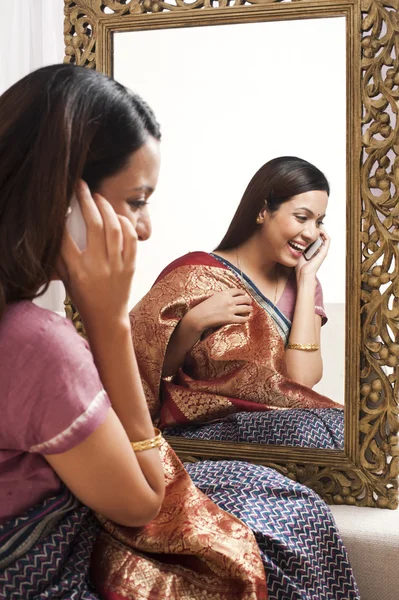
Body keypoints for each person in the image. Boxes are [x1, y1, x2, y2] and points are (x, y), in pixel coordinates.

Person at [0, 64, 267, 599]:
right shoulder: (35, 345)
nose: (146, 228)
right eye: (137, 201)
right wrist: (109, 321)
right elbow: (145, 500)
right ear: (67, 201)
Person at [130, 157, 344, 449]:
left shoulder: (306, 286)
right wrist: (194, 324)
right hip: (205, 428)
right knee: (307, 431)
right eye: (301, 217)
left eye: (319, 222)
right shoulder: (195, 274)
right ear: (262, 211)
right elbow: (143, 370)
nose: (310, 233)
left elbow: (301, 382)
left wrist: (306, 279)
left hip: (283, 425)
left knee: (346, 428)